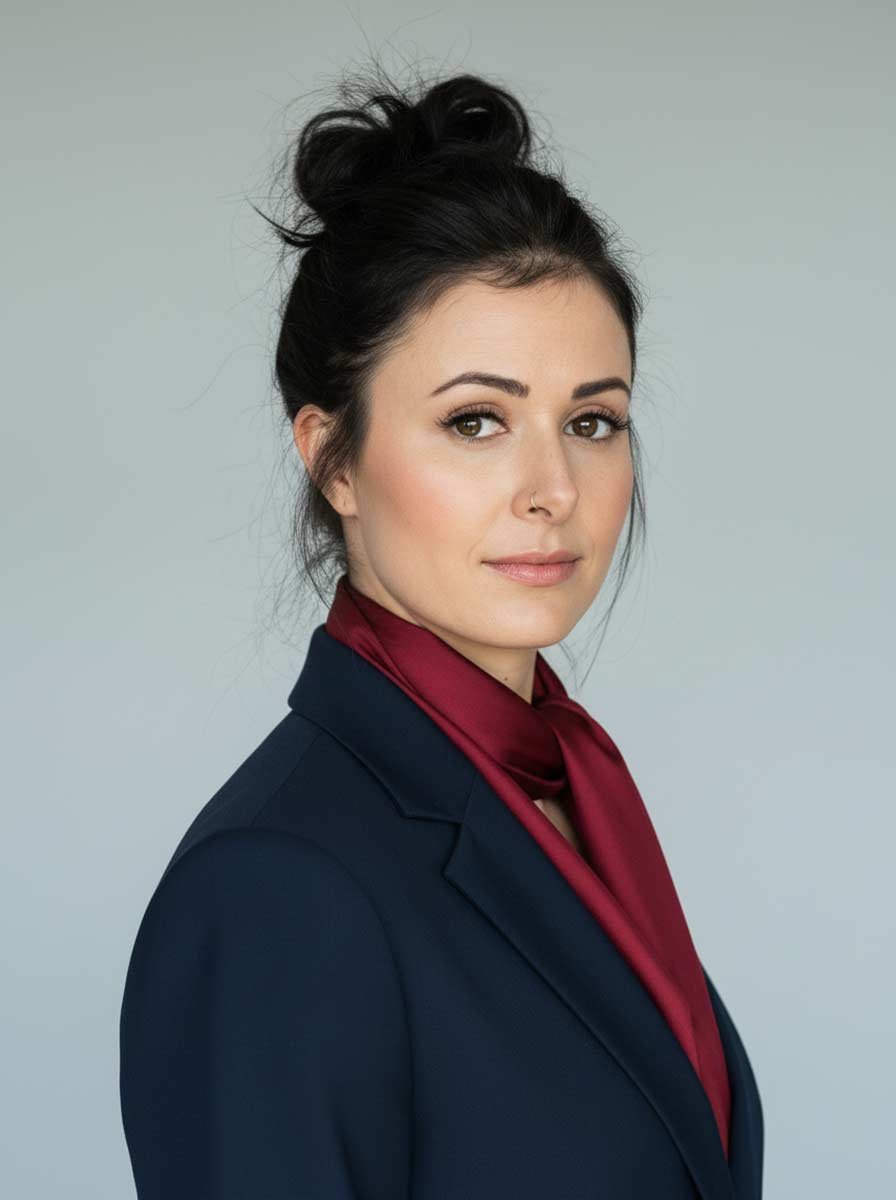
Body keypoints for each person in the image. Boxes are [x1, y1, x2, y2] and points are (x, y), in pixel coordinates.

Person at [119, 64, 764, 1200]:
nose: (551, 489)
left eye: (592, 421)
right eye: (475, 421)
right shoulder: (274, 888)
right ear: (332, 458)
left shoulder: (571, 790)